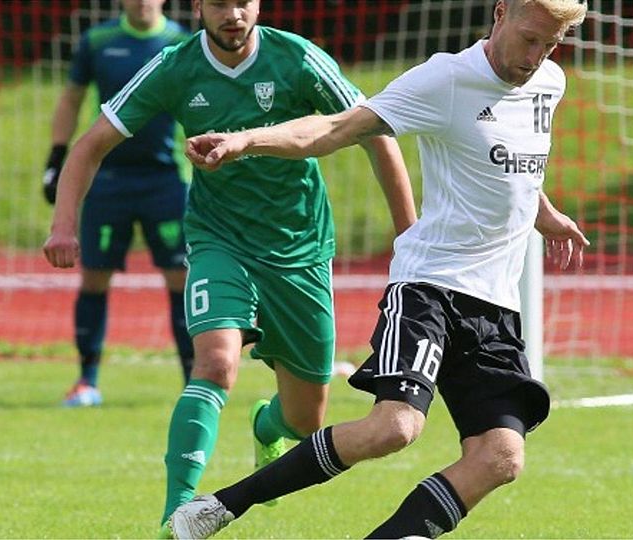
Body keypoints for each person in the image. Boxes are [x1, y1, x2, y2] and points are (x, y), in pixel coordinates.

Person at [168, 0, 590, 538]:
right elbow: (336, 128)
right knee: (395, 428)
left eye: (550, 44)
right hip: (431, 288)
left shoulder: (548, 84)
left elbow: (513, 167)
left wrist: (545, 214)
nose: (536, 56)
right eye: (530, 38)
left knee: (501, 457)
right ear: (500, 12)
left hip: (496, 306)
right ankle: (222, 505)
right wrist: (246, 140)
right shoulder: (447, 79)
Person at [41, 0, 416, 533]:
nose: (233, 14)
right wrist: (63, 225)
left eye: (243, 1)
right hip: (221, 239)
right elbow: (90, 144)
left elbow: (374, 132)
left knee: (306, 421)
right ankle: (178, 514)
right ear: (198, 7)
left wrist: (409, 236)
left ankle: (268, 426)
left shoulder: (299, 60)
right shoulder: (176, 65)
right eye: (219, 3)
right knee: (215, 364)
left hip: (299, 248)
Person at [42, 0, 193, 407]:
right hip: (107, 181)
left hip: (167, 180)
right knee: (94, 276)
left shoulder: (182, 42)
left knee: (180, 279)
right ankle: (86, 381)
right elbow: (72, 98)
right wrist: (57, 157)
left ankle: (192, 383)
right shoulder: (98, 40)